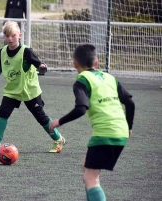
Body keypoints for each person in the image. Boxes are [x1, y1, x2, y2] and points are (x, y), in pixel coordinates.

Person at [49, 43, 135, 200]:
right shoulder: (110, 78)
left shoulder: (82, 80)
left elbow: (81, 108)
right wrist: (129, 127)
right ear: (96, 63)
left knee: (90, 178)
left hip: (104, 134)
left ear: (75, 64)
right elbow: (130, 103)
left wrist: (58, 122)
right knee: (87, 168)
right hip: (121, 132)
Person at [0, 21, 66, 153]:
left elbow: (39, 64)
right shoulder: (2, 52)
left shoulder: (26, 51)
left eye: (13, 35)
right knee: (3, 113)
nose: (10, 39)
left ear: (19, 35)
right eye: (7, 36)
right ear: (4, 36)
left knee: (41, 117)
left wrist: (42, 67)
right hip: (12, 90)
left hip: (29, 91)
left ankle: (58, 139)